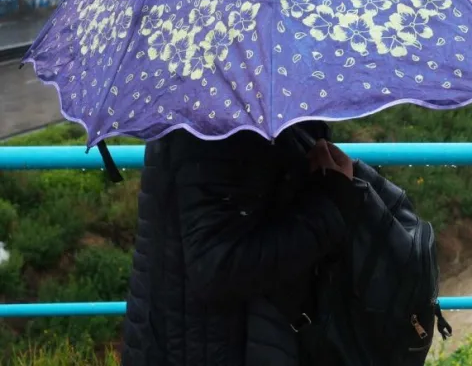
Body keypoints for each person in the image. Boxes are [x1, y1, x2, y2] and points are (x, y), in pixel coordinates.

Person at [121, 121, 363, 366]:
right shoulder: (218, 124)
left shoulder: (216, 108)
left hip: (188, 333)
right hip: (208, 343)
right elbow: (217, 267)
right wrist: (331, 203)